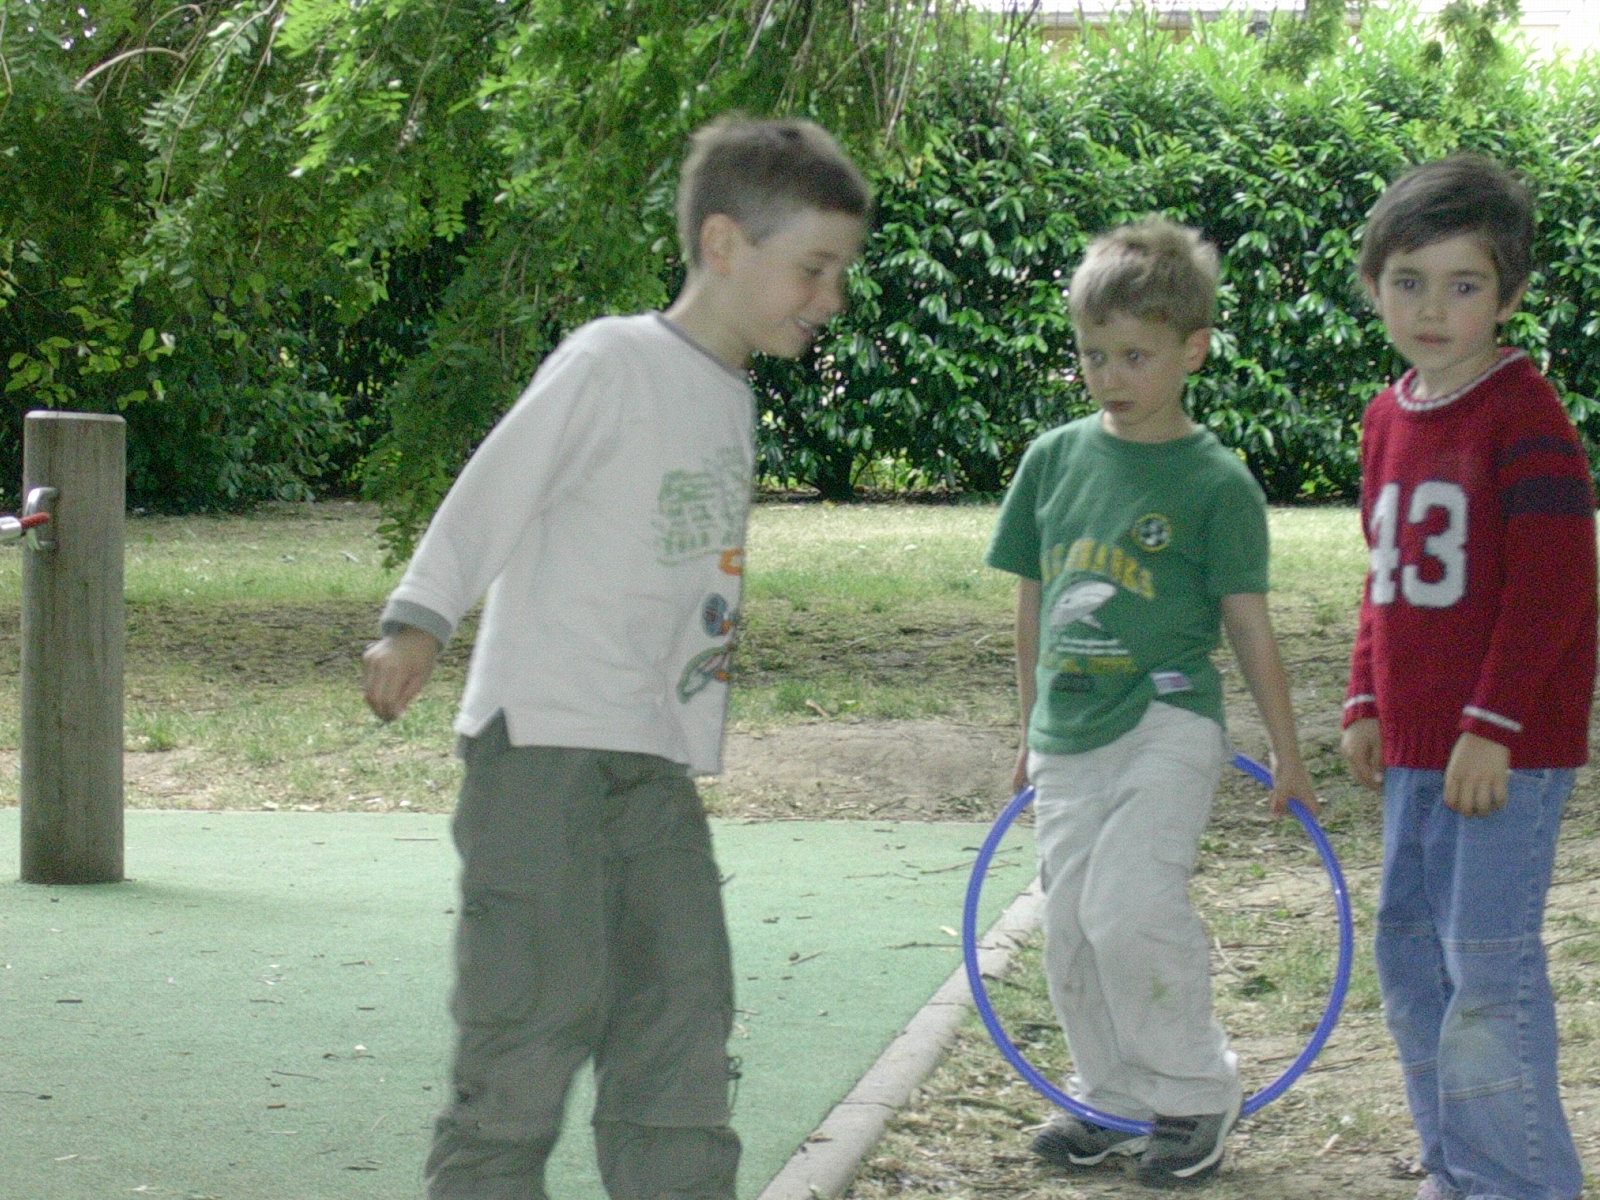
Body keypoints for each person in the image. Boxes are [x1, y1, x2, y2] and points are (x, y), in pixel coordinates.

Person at [361, 116, 870, 1200]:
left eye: (839, 273)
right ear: (724, 244)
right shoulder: (611, 360)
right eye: (813, 268)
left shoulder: (728, 393)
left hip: (649, 763)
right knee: (529, 1023)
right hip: (541, 751)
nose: (830, 297)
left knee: (682, 1007)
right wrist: (420, 620)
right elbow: (494, 488)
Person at [986, 217, 1318, 1188]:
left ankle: (1193, 1092)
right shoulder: (1052, 461)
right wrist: (1027, 727)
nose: (1110, 377)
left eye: (1135, 356)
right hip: (1068, 734)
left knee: (1128, 907)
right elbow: (1033, 601)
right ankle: (1114, 1099)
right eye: (1094, 355)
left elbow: (1248, 623)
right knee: (1070, 926)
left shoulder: (1216, 484)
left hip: (1168, 721)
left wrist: (1287, 749)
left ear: (1192, 351)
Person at [1340, 154, 1595, 1200]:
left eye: (1462, 285)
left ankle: (1519, 1183)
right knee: (1410, 959)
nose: (1432, 309)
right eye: (1408, 282)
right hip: (1413, 749)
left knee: (1485, 969)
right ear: (1374, 287)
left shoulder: (1525, 417)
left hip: (1501, 754)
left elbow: (1554, 588)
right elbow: (1384, 575)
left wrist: (1492, 726)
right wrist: (1364, 695)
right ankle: (1456, 1166)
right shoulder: (1386, 417)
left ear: (1509, 295)